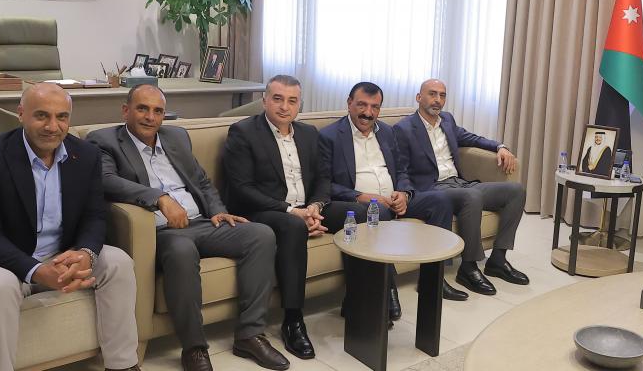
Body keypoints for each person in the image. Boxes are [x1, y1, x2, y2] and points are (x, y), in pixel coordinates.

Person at [87, 84, 288, 371]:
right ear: (126, 110)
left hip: (202, 222)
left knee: (261, 235)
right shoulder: (104, 140)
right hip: (161, 232)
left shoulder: (177, 137)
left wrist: (218, 211)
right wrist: (160, 198)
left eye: (158, 111)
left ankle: (250, 334)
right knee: (182, 250)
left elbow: (201, 181)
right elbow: (106, 180)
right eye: (142, 109)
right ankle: (194, 348)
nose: (150, 117)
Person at [0, 83, 140, 371]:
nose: (53, 126)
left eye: (62, 117)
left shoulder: (86, 155)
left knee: (118, 262)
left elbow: (94, 216)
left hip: (60, 253)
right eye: (42, 116)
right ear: (21, 114)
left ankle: (123, 365)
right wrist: (37, 271)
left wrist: (86, 253)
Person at [224, 75, 372, 359]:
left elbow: (323, 178)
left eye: (292, 101)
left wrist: (315, 206)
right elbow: (242, 189)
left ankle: (358, 298)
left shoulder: (308, 133)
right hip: (266, 211)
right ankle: (293, 320)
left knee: (359, 214)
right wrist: (293, 211)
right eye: (278, 99)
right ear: (264, 100)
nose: (284, 107)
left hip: (307, 206)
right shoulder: (243, 132)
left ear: (299, 104)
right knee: (293, 226)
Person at [318, 81, 463, 313]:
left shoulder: (386, 131)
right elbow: (324, 183)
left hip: (392, 199)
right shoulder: (329, 136)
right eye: (362, 105)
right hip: (359, 203)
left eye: (375, 107)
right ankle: (389, 289)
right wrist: (359, 195)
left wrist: (404, 192)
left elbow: (402, 170)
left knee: (440, 201)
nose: (368, 113)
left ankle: (433, 280)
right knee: (378, 212)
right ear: (349, 103)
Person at [393, 79, 529, 296]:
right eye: (432, 94)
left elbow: (472, 138)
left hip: (459, 183)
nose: (437, 100)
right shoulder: (404, 129)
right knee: (471, 196)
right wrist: (407, 194)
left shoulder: (447, 120)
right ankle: (469, 267)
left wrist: (500, 147)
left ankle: (498, 260)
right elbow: (400, 168)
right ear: (419, 97)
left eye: (442, 95)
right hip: (433, 189)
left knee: (516, 191)